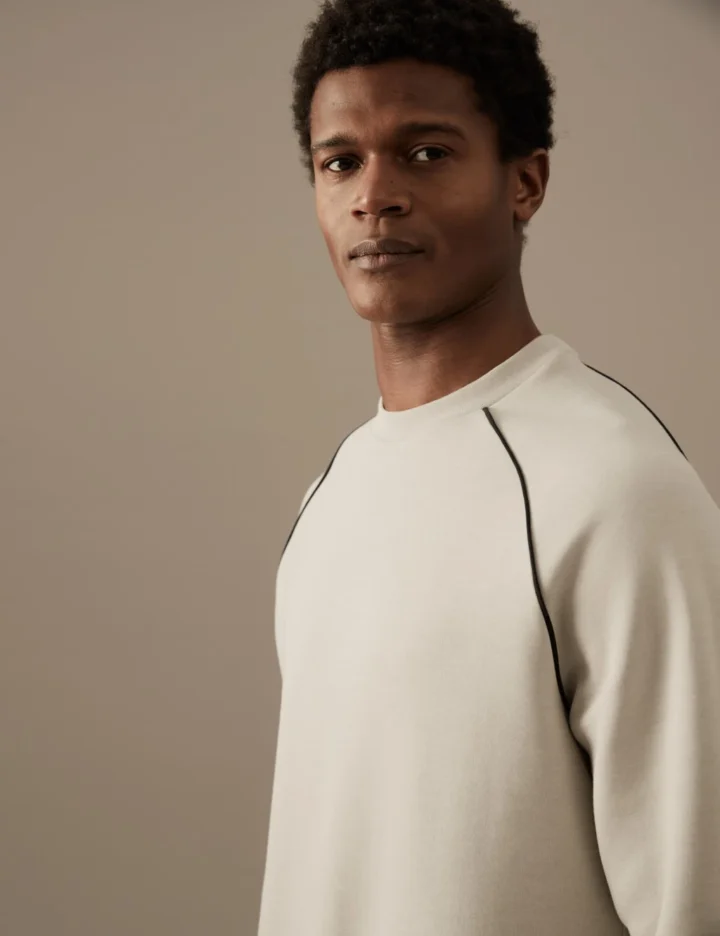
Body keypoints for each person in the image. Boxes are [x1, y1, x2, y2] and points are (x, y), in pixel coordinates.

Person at [257, 1, 720, 934]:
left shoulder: (616, 491)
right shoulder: (330, 495)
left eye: (425, 152)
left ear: (525, 182)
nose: (374, 195)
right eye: (340, 161)